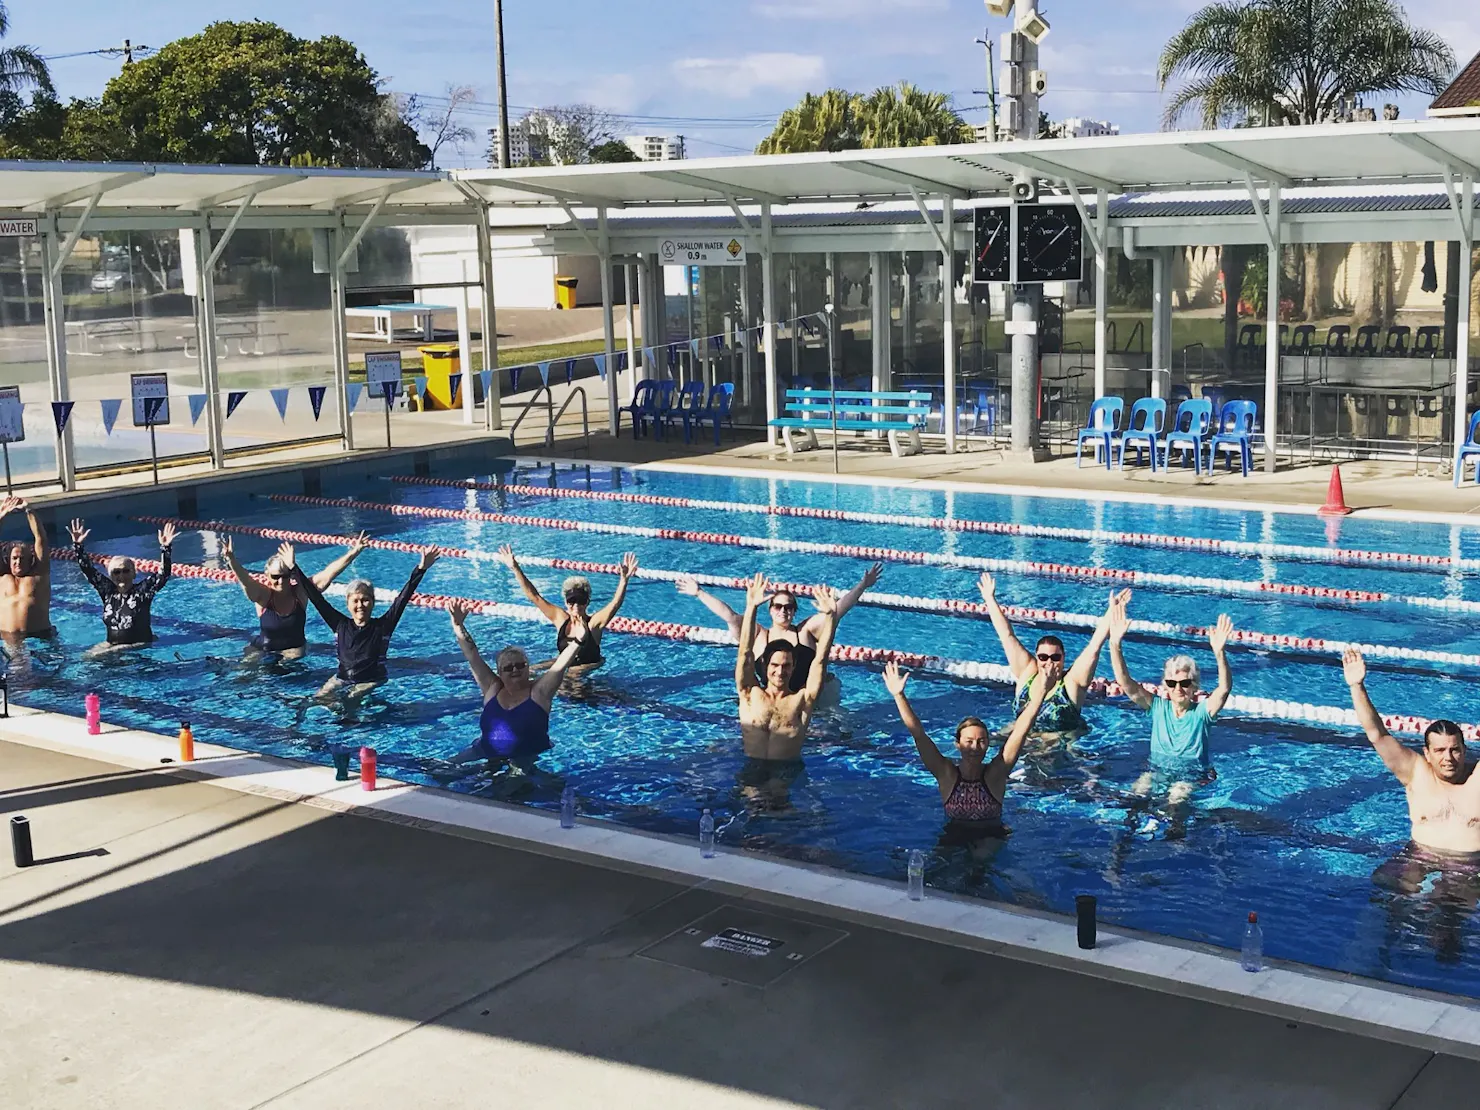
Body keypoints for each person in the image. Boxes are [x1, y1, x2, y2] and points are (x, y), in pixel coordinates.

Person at [882, 659, 1047, 851]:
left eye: (981, 741)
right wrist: (899, 695)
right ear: (958, 745)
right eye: (968, 741)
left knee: (981, 855)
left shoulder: (996, 774)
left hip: (991, 836)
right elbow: (918, 734)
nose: (974, 747)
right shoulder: (946, 774)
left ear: (987, 746)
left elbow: (1020, 731)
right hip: (953, 835)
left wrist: (1041, 693)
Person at [279, 541, 438, 715]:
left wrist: (421, 569)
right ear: (348, 604)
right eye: (355, 600)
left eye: (365, 600)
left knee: (349, 701)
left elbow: (403, 598)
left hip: (372, 679)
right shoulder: (340, 625)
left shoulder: (383, 626)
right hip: (342, 678)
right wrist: (294, 567)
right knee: (314, 701)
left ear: (373, 602)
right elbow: (316, 598)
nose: (360, 605)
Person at [678, 560, 880, 697]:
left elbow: (836, 611)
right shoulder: (758, 636)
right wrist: (699, 593)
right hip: (776, 701)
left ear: (794, 611)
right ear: (770, 610)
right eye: (778, 606)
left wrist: (862, 585)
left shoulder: (805, 631)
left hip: (816, 701)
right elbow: (729, 616)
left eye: (789, 607)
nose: (783, 611)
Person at [1108, 595, 1233, 805]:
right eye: (1172, 683)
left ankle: (1176, 837)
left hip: (1193, 775)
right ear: (1165, 685)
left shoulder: (1202, 713)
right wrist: (1114, 643)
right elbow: (1125, 682)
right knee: (1137, 792)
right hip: (1157, 770)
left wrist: (1220, 654)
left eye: (1185, 683)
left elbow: (1224, 689)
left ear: (1195, 687)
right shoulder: (1157, 707)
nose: (1178, 689)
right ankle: (1127, 834)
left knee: (1177, 795)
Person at [978, 572, 1127, 739]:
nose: (1049, 662)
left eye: (1055, 658)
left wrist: (1111, 611)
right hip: (1020, 741)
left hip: (1054, 751)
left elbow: (1094, 646)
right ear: (1037, 657)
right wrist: (990, 599)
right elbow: (1007, 635)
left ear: (1063, 659)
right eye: (1043, 657)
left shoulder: (1072, 683)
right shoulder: (1028, 672)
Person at [734, 573, 839, 804]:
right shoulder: (750, 693)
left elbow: (821, 659)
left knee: (779, 815)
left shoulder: (803, 699)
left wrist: (831, 616)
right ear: (765, 666)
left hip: (787, 772)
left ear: (793, 668)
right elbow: (744, 653)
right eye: (775, 665)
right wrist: (751, 607)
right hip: (751, 767)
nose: (780, 672)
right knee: (751, 807)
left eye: (786, 666)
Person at [446, 601, 589, 769]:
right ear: (499, 672)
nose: (515, 670)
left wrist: (578, 641)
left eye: (520, 665)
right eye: (508, 668)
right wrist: (458, 625)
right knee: (438, 770)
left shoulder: (538, 692)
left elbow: (560, 666)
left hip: (524, 758)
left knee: (509, 788)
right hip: (483, 750)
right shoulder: (492, 688)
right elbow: (472, 655)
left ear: (528, 668)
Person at [222, 532, 370, 659]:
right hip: (262, 648)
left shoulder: (301, 592)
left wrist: (354, 551)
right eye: (275, 577)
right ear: (267, 575)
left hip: (293, 651)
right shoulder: (263, 595)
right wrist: (231, 560)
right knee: (243, 675)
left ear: (291, 575)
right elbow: (246, 580)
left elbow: (329, 573)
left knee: (294, 657)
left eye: (285, 576)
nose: (280, 581)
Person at [496, 543, 636, 671]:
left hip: (586, 672)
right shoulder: (561, 618)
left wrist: (624, 581)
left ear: (587, 602)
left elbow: (615, 604)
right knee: (528, 670)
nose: (576, 606)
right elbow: (534, 597)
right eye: (572, 601)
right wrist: (515, 568)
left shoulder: (593, 624)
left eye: (581, 601)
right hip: (565, 665)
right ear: (565, 602)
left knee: (567, 677)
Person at [69, 517, 178, 648]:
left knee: (96, 659)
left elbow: (163, 574)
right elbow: (88, 571)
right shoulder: (107, 592)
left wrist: (165, 548)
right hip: (113, 645)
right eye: (116, 572)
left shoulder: (142, 592)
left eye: (126, 571)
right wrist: (78, 546)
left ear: (134, 573)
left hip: (139, 647)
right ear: (110, 575)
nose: (121, 575)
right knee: (84, 661)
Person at [0, 496, 51, 637]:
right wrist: (1, 516)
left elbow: (41, 538)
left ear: (31, 559)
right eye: (14, 558)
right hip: (8, 639)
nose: (18, 562)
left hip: (41, 638)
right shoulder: (2, 578)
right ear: (8, 560)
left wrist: (29, 510)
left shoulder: (39, 574)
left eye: (22, 558)